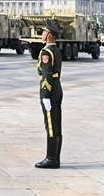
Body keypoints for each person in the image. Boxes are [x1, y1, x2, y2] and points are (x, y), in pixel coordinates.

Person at [35, 19, 63, 169]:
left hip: (50, 91)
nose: (42, 34)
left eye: (44, 32)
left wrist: (45, 95)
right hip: (57, 88)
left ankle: (51, 159)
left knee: (51, 124)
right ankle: (56, 157)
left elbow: (46, 75)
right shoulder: (56, 50)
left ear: (49, 36)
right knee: (57, 122)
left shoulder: (46, 52)